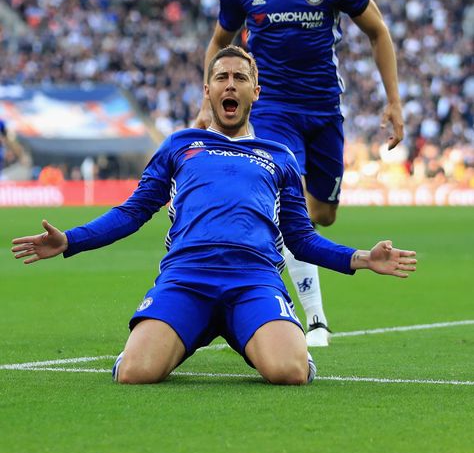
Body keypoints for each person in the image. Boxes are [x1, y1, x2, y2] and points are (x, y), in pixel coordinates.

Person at [12, 47, 415, 386]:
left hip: (254, 280)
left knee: (289, 372)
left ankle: (262, 333)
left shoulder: (279, 156)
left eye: (240, 77)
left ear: (255, 91)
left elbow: (302, 239)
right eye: (221, 77)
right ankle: (173, 333)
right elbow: (133, 212)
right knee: (135, 373)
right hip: (187, 278)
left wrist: (361, 258)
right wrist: (71, 240)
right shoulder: (180, 145)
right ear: (208, 90)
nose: (230, 84)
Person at [195, 0, 404, 347]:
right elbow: (218, 42)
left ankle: (273, 251)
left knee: (322, 215)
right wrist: (209, 97)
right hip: (270, 110)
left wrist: (394, 100)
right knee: (287, 202)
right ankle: (312, 318)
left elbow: (377, 31)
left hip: (325, 109)